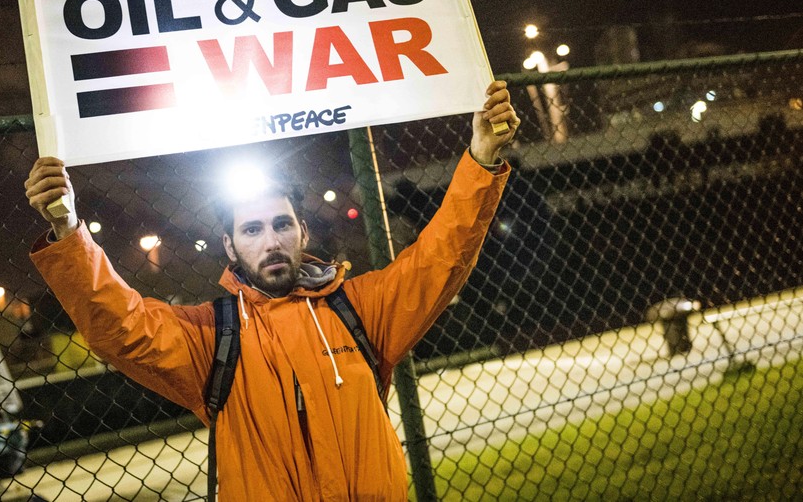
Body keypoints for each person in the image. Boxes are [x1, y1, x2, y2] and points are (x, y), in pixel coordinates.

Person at [25, 80, 519, 500]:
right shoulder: (210, 337)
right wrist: (69, 231)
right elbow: (122, 326)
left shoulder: (359, 308)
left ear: (303, 232)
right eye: (253, 229)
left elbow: (441, 257)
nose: (271, 240)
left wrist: (481, 157)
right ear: (230, 245)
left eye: (282, 224)